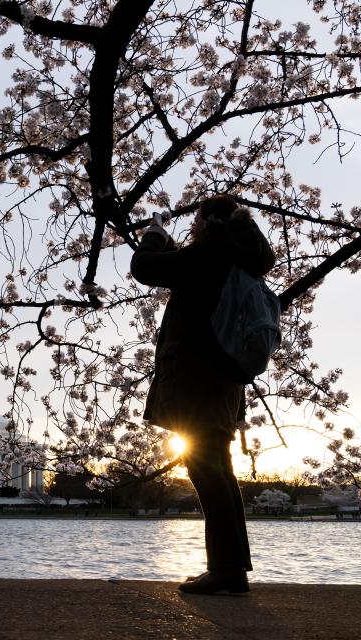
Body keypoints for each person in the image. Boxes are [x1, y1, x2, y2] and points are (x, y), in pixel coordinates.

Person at [130, 195, 275, 596]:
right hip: (224, 385)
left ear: (208, 222)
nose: (192, 227)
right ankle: (231, 570)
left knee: (208, 472)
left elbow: (145, 267)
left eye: (196, 221)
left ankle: (226, 570)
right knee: (218, 472)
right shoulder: (240, 257)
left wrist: (155, 233)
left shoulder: (210, 254)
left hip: (198, 384)